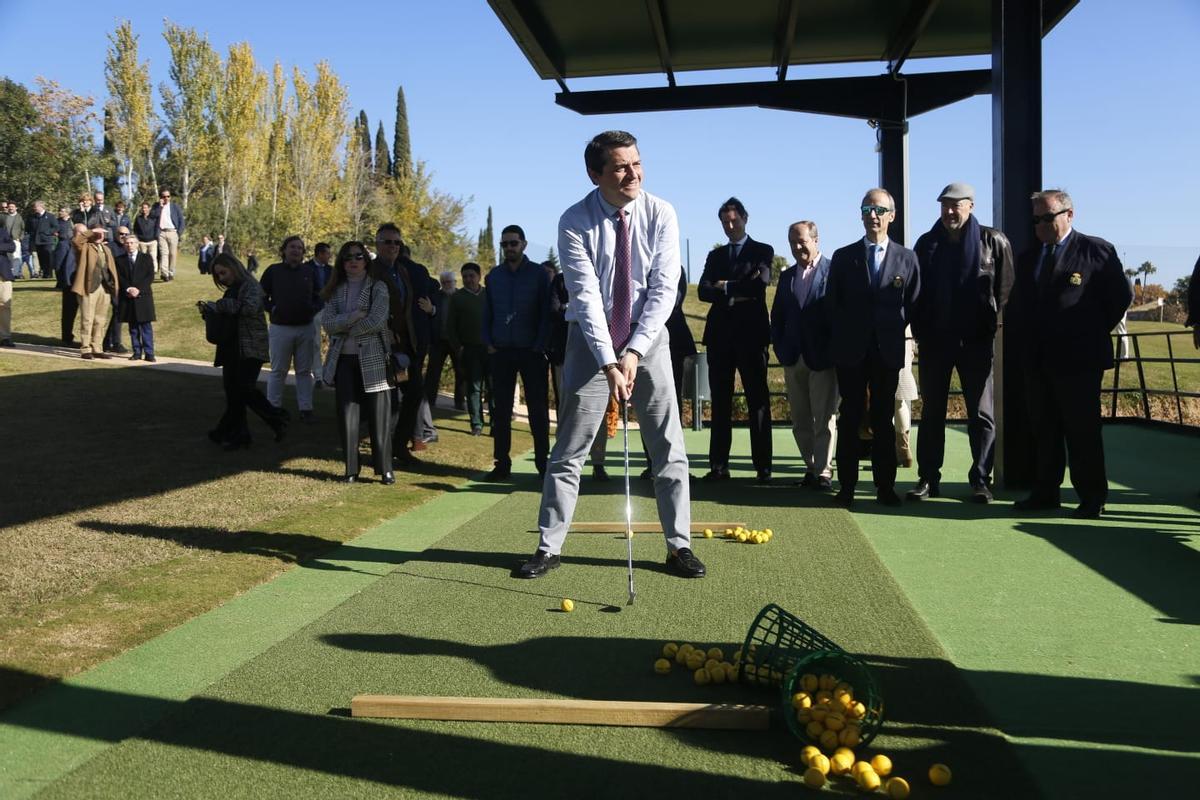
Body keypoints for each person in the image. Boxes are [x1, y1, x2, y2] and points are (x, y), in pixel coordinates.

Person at [517, 129, 704, 581]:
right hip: (588, 341)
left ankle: (678, 546)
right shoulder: (573, 220)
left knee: (669, 450)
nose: (632, 173)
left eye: (636, 162)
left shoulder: (662, 212)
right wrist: (608, 362)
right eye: (620, 166)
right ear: (595, 173)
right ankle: (549, 546)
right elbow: (584, 299)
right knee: (570, 451)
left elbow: (664, 290)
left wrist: (635, 352)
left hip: (650, 339)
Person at [1008, 189, 1132, 519]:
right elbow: (1020, 305)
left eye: (1047, 217)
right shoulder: (1028, 258)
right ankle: (1046, 492)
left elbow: (1119, 298)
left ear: (1069, 215)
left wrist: (1087, 329)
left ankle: (1092, 497)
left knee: (1082, 431)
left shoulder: (1096, 251)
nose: (1041, 225)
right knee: (1044, 430)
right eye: (1036, 219)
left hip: (1079, 360)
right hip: (1038, 360)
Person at [907, 182, 1014, 504]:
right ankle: (928, 478)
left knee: (981, 415)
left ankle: (980, 479)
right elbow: (915, 291)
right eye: (945, 205)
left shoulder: (993, 241)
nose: (950, 211)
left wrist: (990, 325)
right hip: (936, 342)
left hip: (976, 341)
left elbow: (1006, 290)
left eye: (956, 205)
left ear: (970, 206)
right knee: (932, 413)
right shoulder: (926, 243)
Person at [826, 188, 921, 507]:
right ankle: (847, 487)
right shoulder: (843, 256)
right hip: (851, 353)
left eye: (879, 210)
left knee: (883, 419)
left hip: (887, 351)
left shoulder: (906, 258)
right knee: (849, 416)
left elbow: (914, 304)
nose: (873, 215)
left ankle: (884, 487)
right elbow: (832, 305)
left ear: (892, 216)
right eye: (867, 209)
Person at [697, 197, 774, 483]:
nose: (730, 226)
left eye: (734, 220)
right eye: (725, 222)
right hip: (719, 337)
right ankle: (718, 465)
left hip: (752, 337)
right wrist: (738, 289)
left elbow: (760, 284)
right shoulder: (715, 256)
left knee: (758, 401)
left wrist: (724, 286)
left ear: (745, 218)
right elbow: (704, 291)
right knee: (720, 402)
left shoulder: (762, 251)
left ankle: (763, 466)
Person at [320, 241, 394, 484]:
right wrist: (352, 317)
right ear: (341, 262)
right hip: (344, 359)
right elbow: (328, 324)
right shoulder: (335, 289)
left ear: (366, 260)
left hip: (373, 359)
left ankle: (385, 469)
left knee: (379, 415)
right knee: (347, 415)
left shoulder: (378, 287)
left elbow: (377, 320)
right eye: (348, 257)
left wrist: (346, 328)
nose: (353, 261)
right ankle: (351, 469)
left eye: (359, 256)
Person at [770, 220, 836, 490]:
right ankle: (811, 467)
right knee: (799, 419)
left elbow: (840, 316)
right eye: (792, 243)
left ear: (816, 240)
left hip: (822, 359)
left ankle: (823, 471)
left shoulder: (833, 271)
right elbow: (777, 317)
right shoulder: (786, 277)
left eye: (802, 241)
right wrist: (781, 347)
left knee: (824, 418)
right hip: (793, 357)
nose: (797, 247)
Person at [483, 224, 551, 481]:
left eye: (513, 243)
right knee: (500, 411)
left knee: (538, 410)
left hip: (531, 352)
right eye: (505, 244)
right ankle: (501, 463)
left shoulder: (539, 274)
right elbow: (487, 312)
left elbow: (546, 313)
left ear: (523, 244)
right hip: (501, 351)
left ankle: (543, 464)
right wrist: (488, 341)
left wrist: (540, 344)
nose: (509, 248)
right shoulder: (494, 276)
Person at [199, 253, 288, 449]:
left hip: (250, 347)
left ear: (233, 267)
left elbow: (249, 308)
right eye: (218, 275)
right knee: (234, 393)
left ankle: (273, 418)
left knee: (243, 390)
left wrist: (220, 305)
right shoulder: (234, 289)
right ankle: (240, 432)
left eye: (223, 273)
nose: (222, 278)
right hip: (232, 347)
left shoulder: (250, 286)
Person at [547, 260, 609, 479]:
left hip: (600, 355)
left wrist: (574, 308)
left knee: (598, 411)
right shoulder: (561, 280)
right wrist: (577, 308)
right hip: (565, 354)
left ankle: (598, 462)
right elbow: (555, 310)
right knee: (566, 409)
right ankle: (564, 463)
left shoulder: (602, 277)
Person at [369, 224, 424, 467]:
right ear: (377, 244)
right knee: (385, 400)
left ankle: (399, 445)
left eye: (396, 243)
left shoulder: (401, 271)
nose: (393, 247)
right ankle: (381, 450)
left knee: (413, 393)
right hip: (380, 343)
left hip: (404, 344)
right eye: (387, 242)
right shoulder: (370, 272)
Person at [639, 270, 696, 480]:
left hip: (673, 344)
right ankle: (652, 463)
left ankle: (674, 464)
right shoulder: (638, 264)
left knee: (672, 404)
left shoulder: (672, 265)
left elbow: (671, 301)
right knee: (646, 404)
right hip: (639, 343)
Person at [260, 235, 321, 422]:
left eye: (300, 248)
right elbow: (261, 295)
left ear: (303, 253)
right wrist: (272, 308)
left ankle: (306, 409)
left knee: (304, 371)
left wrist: (313, 309)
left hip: (305, 327)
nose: (296, 250)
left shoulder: (310, 272)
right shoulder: (273, 271)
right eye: (292, 247)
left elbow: (320, 295)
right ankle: (273, 408)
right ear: (284, 250)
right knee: (279, 370)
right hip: (281, 328)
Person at [420, 269, 464, 441]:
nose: (447, 285)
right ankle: (430, 400)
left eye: (450, 282)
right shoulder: (436, 297)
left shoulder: (460, 296)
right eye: (444, 283)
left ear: (454, 282)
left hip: (456, 341)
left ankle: (459, 402)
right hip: (438, 340)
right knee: (433, 372)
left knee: (461, 372)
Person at [447, 262, 488, 436]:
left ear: (479, 276)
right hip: (469, 349)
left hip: (491, 348)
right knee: (474, 387)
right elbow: (450, 326)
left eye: (472, 276)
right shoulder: (457, 297)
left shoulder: (489, 294)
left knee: (493, 387)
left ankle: (495, 422)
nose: (468, 279)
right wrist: (459, 347)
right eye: (465, 277)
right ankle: (476, 423)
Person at [70, 223, 120, 360]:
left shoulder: (106, 249)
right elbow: (76, 241)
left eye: (102, 233)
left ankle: (97, 347)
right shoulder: (85, 247)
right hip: (89, 288)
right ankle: (85, 348)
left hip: (104, 288)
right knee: (87, 319)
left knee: (100, 319)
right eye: (97, 233)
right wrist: (90, 231)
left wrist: (113, 286)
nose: (99, 235)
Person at [114, 228, 157, 361]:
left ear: (137, 244)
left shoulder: (146, 258)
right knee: (133, 328)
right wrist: (128, 289)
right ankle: (136, 352)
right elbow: (119, 277)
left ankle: (149, 353)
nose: (129, 245)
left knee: (145, 327)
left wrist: (138, 289)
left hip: (143, 296)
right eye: (127, 243)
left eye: (132, 242)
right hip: (128, 297)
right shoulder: (119, 260)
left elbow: (149, 276)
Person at [55, 214, 79, 345]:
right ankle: (66, 337)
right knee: (68, 313)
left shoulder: (87, 245)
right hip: (69, 284)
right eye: (80, 232)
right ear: (74, 232)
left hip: (82, 284)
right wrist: (63, 282)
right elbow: (58, 265)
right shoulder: (65, 244)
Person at [151, 188, 184, 281]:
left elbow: (181, 220)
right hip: (161, 232)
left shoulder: (175, 207)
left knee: (173, 254)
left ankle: (171, 272)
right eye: (164, 196)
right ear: (160, 197)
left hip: (173, 232)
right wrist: (160, 207)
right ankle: (164, 274)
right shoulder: (156, 206)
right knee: (164, 253)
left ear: (170, 197)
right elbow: (152, 216)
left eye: (168, 196)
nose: (166, 198)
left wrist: (178, 233)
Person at [28, 201, 57, 280]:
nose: (34, 208)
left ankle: (49, 273)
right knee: (41, 258)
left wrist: (48, 232)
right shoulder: (32, 217)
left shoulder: (50, 216)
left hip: (47, 240)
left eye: (35, 206)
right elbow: (28, 227)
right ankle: (44, 272)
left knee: (48, 257)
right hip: (37, 241)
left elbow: (56, 227)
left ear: (41, 207)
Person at [133, 202, 158, 275]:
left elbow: (157, 227)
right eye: (143, 208)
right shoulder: (138, 218)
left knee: (153, 257)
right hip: (142, 242)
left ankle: (154, 271)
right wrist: (137, 238)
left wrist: (156, 237)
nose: (144, 209)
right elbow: (135, 229)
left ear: (149, 208)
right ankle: (143, 271)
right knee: (142, 258)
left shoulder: (153, 218)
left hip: (152, 241)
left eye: (146, 208)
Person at [0, 222, 13, 347]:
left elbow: (11, 246)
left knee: (5, 304)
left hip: (3, 273)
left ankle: (5, 336)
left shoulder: (2, 231)